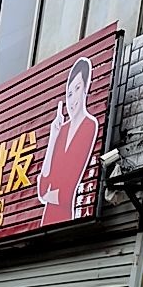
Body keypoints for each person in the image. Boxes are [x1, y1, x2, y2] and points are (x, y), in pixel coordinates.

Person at [37, 56, 99, 228]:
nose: (72, 99)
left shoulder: (90, 126)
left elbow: (66, 193)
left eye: (77, 88)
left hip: (65, 217)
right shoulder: (61, 130)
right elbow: (43, 189)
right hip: (46, 218)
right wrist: (52, 138)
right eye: (69, 93)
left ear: (86, 88)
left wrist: (53, 193)